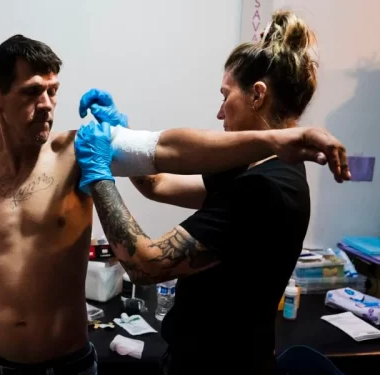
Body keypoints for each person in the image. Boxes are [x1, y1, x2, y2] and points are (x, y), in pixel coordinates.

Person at [0, 34, 349, 375]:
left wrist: (288, 139)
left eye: (53, 90)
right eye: (32, 92)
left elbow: (173, 148)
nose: (48, 104)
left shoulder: (83, 150)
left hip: (70, 365)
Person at [75, 10, 340, 374]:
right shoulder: (251, 167)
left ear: (257, 95)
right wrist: (125, 136)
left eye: (226, 95)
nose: (219, 113)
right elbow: (159, 184)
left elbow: (145, 264)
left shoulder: (267, 187)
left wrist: (100, 177)